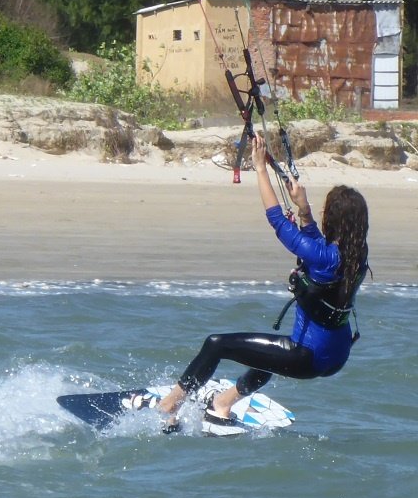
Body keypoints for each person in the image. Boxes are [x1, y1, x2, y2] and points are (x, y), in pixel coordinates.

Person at [157, 132, 370, 433]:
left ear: (332, 219)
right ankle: (223, 404)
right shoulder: (356, 256)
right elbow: (316, 246)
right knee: (269, 355)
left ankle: (170, 405)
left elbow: (277, 221)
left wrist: (259, 168)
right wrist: (304, 209)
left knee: (215, 344)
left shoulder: (324, 256)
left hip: (306, 358)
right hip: (335, 358)